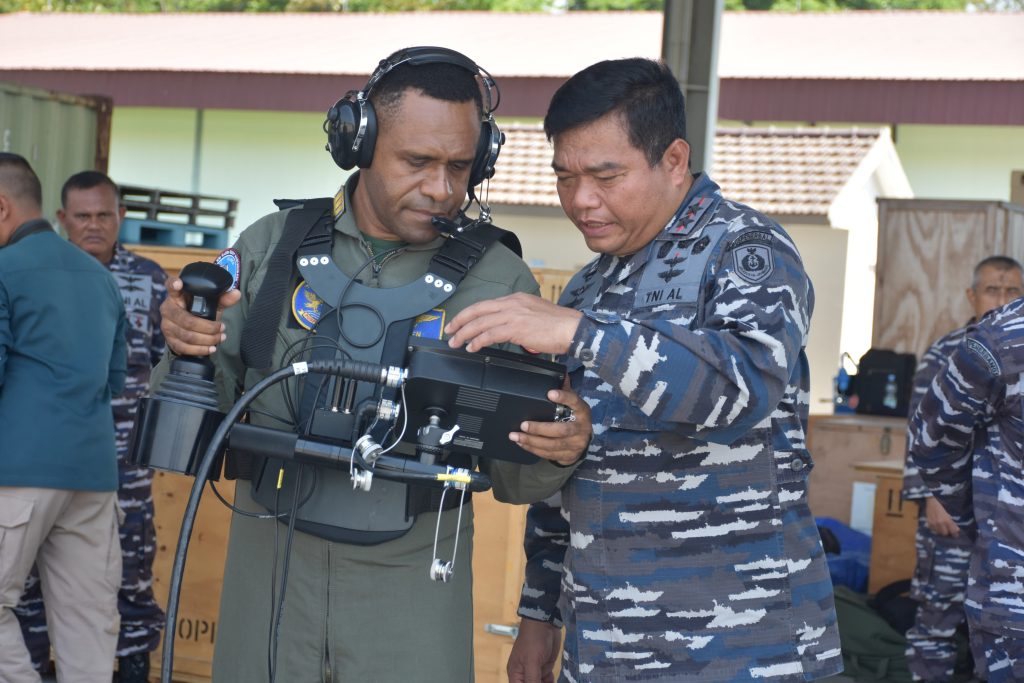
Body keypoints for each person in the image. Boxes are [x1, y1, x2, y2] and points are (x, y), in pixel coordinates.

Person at [155, 47, 591, 682]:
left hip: (411, 591)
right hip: (269, 573)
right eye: (417, 162)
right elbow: (195, 417)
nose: (442, 189)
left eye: (460, 167)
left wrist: (562, 444)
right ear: (357, 142)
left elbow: (518, 479)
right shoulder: (271, 249)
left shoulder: (500, 280)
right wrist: (184, 345)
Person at [445, 57, 843, 682]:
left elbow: (739, 389)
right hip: (606, 645)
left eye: (606, 176)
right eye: (565, 177)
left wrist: (579, 333)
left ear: (674, 160)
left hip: (743, 649)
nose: (581, 200)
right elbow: (565, 468)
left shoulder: (744, 252)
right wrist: (538, 618)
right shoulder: (587, 288)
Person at [12, 171, 168, 682]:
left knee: (116, 593)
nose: (95, 225)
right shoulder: (82, 276)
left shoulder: (6, 269)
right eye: (83, 216)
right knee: (71, 613)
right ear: (60, 217)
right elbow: (114, 374)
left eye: (105, 215)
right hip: (85, 466)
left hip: (63, 468)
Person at [0, 153, 127, 682]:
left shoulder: (4, 270)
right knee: (87, 624)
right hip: (93, 477)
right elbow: (115, 381)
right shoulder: (99, 278)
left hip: (18, 472)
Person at [901, 255, 1022, 682]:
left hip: (1000, 525)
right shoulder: (951, 351)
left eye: (1012, 291)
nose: (1001, 299)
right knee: (938, 618)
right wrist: (935, 499)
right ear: (972, 296)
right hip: (950, 511)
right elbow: (923, 431)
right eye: (993, 290)